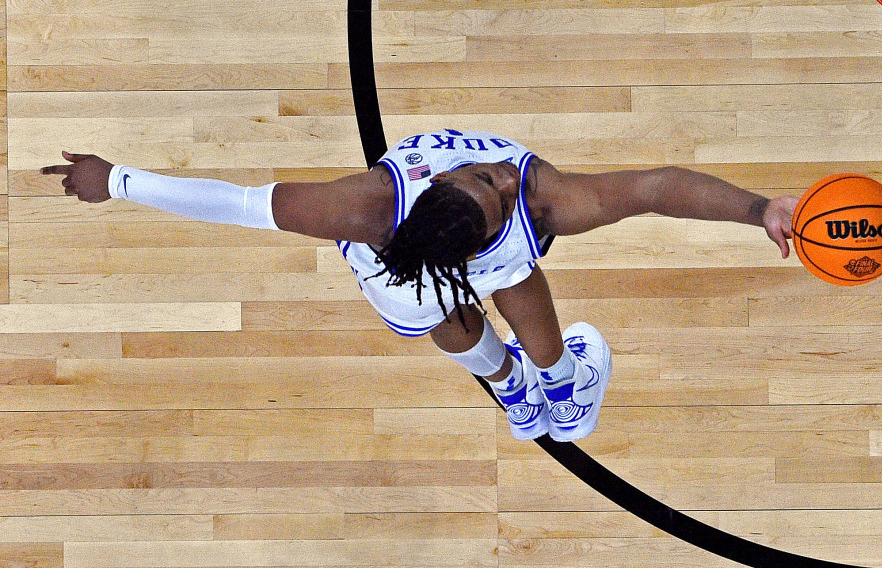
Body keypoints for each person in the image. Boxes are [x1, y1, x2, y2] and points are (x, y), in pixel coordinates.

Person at [41, 128, 800, 442]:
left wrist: (118, 179)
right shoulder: (540, 203)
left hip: (402, 286)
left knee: (447, 313)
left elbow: (242, 203)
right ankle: (560, 386)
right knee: (520, 280)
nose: (504, 174)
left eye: (488, 178)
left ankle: (517, 390)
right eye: (499, 187)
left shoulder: (369, 204)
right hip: (436, 275)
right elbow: (656, 186)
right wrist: (758, 210)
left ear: (443, 185)